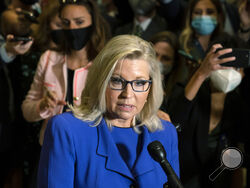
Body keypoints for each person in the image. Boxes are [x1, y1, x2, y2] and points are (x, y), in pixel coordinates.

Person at [37, 34, 180, 188]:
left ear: (150, 89)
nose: (128, 94)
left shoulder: (166, 133)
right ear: (101, 82)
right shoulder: (66, 129)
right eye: (117, 81)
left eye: (139, 83)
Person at [22, 0, 110, 146]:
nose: (72, 28)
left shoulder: (105, 63)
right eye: (66, 23)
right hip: (52, 145)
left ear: (93, 22)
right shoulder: (49, 58)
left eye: (79, 22)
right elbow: (27, 110)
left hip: (92, 147)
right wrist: (42, 106)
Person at [168, 36, 249, 188]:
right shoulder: (190, 90)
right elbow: (173, 122)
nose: (230, 72)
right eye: (225, 65)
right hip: (182, 178)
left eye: (237, 68)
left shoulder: (238, 105)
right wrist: (201, 73)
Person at [178, 0, 225, 83]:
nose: (203, 16)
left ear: (219, 16)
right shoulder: (180, 42)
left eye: (210, 12)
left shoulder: (227, 42)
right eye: (198, 12)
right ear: (190, 16)